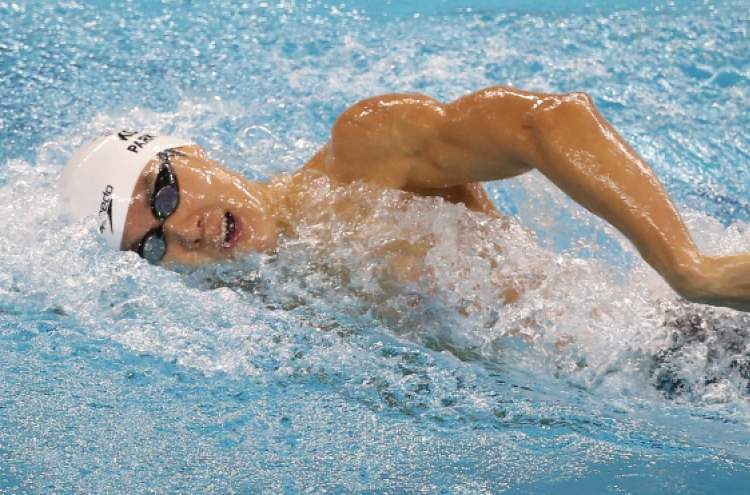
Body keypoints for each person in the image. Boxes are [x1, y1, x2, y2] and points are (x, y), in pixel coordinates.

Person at [58, 86, 750, 311]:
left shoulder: (360, 154)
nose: (186, 230)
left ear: (196, 151)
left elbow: (551, 121)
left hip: (689, 344)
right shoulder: (285, 302)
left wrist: (691, 269)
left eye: (166, 189)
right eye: (151, 243)